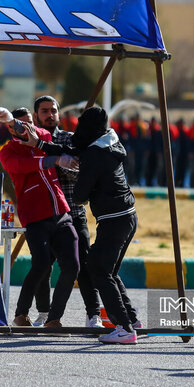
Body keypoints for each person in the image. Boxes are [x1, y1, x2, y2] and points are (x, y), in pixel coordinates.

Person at [0, 108, 79, 328]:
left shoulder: (42, 137)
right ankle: (20, 314)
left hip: (61, 211)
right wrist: (52, 160)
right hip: (34, 215)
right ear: (10, 127)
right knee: (42, 265)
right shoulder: (8, 151)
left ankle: (53, 318)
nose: (28, 129)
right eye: (21, 125)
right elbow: (21, 166)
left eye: (31, 124)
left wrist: (51, 154)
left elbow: (47, 140)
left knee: (72, 266)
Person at [30, 96, 103, 328]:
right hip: (43, 216)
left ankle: (93, 315)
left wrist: (58, 162)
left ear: (59, 115)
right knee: (42, 267)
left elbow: (79, 172)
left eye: (53, 110)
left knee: (82, 265)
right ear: (35, 116)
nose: (49, 114)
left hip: (72, 212)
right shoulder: (29, 142)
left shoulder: (70, 139)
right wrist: (52, 160)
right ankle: (44, 314)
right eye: (44, 111)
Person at [70, 107, 141, 344]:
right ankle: (132, 320)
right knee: (108, 270)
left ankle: (124, 328)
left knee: (98, 269)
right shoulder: (110, 143)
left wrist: (76, 171)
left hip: (114, 219)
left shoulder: (93, 154)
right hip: (127, 216)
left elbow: (80, 195)